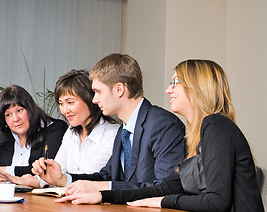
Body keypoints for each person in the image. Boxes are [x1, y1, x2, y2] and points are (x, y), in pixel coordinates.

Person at [55, 59, 267, 212]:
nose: (168, 90)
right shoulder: (199, 135)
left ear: (198, 87)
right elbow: (165, 187)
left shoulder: (216, 125)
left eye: (175, 83)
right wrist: (102, 195)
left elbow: (216, 200)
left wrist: (163, 202)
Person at [32, 53, 186, 195]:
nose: (94, 99)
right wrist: (63, 179)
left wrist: (104, 189)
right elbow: (106, 176)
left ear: (119, 89)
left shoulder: (163, 125)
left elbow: (166, 187)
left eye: (98, 92)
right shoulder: (125, 130)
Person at [0, 70, 120, 187]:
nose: (65, 110)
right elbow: (57, 174)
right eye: (61, 104)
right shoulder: (71, 133)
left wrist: (59, 179)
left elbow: (97, 180)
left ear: (90, 99)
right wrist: (22, 179)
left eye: (70, 102)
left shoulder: (113, 134)